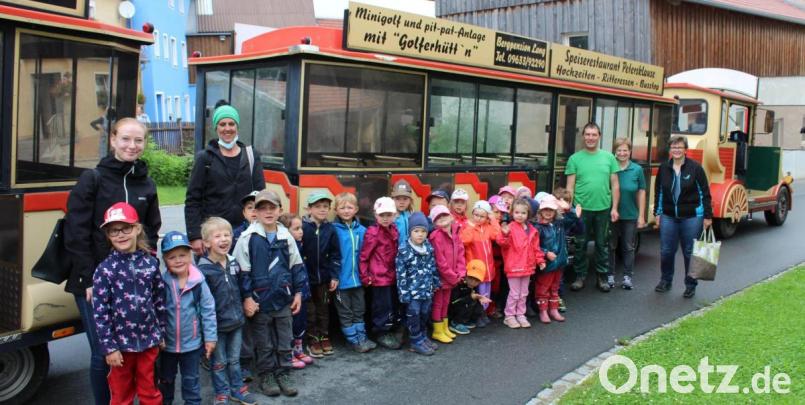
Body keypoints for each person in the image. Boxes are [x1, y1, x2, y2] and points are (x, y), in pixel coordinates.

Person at [64, 118, 161, 405]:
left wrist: (149, 266)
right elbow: (76, 232)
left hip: (134, 278)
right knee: (104, 353)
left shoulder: (147, 183)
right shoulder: (93, 179)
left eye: (138, 140)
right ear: (113, 140)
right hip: (96, 279)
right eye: (126, 139)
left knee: (137, 351)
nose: (132, 146)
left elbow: (152, 230)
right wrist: (87, 278)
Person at [233, 190, 305, 397]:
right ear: (255, 212)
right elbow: (242, 271)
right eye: (262, 208)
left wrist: (298, 293)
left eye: (272, 208)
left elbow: (297, 266)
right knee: (263, 343)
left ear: (280, 210)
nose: (268, 212)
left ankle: (284, 372)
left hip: (284, 298)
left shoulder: (286, 237)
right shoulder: (248, 238)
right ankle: (266, 374)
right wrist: (247, 297)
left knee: (285, 339)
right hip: (259, 301)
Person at [92, 202, 164, 405]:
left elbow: (159, 300)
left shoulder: (150, 264)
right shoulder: (104, 270)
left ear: (137, 228)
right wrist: (109, 348)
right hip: (120, 349)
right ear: (108, 235)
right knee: (121, 396)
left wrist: (161, 333)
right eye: (114, 231)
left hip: (149, 344)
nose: (120, 235)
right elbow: (100, 313)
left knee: (150, 393)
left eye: (126, 228)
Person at [186, 104, 265, 256]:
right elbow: (193, 200)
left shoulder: (251, 156)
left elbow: (261, 196)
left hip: (247, 232)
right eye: (222, 124)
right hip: (215, 235)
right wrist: (195, 236)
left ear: (237, 126)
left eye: (231, 124)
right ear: (216, 128)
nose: (227, 128)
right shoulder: (205, 158)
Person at [196, 218, 258, 405]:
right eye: (217, 236)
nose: (224, 239)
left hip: (237, 322)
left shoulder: (233, 263)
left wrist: (248, 301)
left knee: (234, 359)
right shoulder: (202, 270)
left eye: (227, 235)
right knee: (219, 362)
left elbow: (242, 287)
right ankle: (221, 392)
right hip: (217, 327)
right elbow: (200, 303)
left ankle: (237, 389)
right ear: (206, 242)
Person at [158, 231, 217, 405]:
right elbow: (156, 313)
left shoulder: (199, 282)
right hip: (166, 346)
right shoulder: (161, 283)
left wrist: (211, 338)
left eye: (183, 255)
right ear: (165, 260)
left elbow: (208, 310)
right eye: (172, 257)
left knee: (191, 381)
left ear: (190, 255)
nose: (178, 260)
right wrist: (158, 337)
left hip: (192, 345)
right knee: (166, 380)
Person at [654, 136, 713, 298]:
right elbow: (659, 191)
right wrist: (657, 213)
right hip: (668, 216)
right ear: (670, 150)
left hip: (692, 217)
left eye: (680, 147)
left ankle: (690, 284)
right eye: (673, 147)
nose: (676, 150)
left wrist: (707, 216)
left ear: (685, 149)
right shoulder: (664, 167)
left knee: (689, 251)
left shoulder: (695, 168)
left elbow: (705, 193)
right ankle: (666, 280)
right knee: (666, 251)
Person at [565, 122, 620, 292]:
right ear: (583, 136)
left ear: (599, 136)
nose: (590, 138)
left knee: (602, 244)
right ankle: (580, 276)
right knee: (580, 244)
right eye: (587, 134)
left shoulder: (609, 158)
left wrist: (614, 208)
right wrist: (569, 208)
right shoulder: (574, 159)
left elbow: (615, 185)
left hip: (603, 208)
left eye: (594, 135)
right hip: (582, 209)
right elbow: (570, 187)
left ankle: (602, 277)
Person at [332, 192, 376, 353]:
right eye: (342, 207)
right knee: (345, 312)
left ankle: (361, 337)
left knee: (359, 309)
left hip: (358, 279)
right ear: (336, 210)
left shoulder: (363, 230)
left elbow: (368, 255)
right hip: (341, 281)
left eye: (349, 207)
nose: (346, 210)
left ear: (356, 209)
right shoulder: (333, 230)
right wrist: (333, 276)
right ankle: (352, 341)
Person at [300, 191, 341, 357]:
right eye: (317, 206)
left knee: (323, 309)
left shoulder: (330, 229)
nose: (322, 210)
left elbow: (335, 255)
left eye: (325, 206)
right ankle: (312, 339)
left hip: (324, 279)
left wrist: (334, 276)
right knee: (310, 311)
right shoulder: (302, 228)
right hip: (307, 280)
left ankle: (324, 335)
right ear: (309, 209)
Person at [359, 197, 401, 349]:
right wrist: (365, 276)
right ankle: (380, 332)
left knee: (391, 304)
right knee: (381, 306)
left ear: (394, 215)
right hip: (378, 277)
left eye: (389, 215)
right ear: (375, 215)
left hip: (392, 275)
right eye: (382, 215)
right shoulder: (373, 233)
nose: (385, 218)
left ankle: (390, 328)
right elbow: (364, 256)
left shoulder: (394, 230)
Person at [395, 212, 440, 356]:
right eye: (416, 231)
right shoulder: (404, 250)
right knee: (413, 315)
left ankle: (422, 336)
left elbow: (432, 266)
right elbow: (401, 273)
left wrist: (435, 281)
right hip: (413, 293)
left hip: (426, 290)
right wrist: (404, 293)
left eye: (423, 231)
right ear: (410, 232)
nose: (420, 235)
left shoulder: (428, 248)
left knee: (424, 314)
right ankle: (415, 340)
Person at [496, 198, 546, 329]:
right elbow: (502, 243)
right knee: (514, 293)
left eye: (523, 213)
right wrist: (505, 234)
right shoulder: (510, 228)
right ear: (512, 213)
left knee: (524, 293)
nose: (520, 215)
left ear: (528, 214)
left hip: (528, 266)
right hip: (514, 266)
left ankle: (520, 314)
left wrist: (540, 260)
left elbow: (536, 248)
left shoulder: (532, 230)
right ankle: (509, 316)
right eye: (517, 212)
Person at [534, 195, 582, 324]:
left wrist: (568, 209)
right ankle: (543, 310)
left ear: (555, 212)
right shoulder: (538, 227)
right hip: (547, 264)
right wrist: (546, 253)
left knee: (555, 287)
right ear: (540, 212)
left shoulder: (559, 224)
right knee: (543, 288)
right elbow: (534, 246)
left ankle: (553, 309)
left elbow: (572, 218)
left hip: (559, 262)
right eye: (545, 210)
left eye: (551, 210)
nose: (548, 212)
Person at [277, 213, 314, 369]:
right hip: (291, 295)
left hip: (303, 292)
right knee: (290, 325)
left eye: (301, 228)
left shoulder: (301, 246)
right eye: (296, 228)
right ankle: (289, 353)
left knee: (301, 322)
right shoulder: (285, 248)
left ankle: (298, 349)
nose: (301, 232)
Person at [609, 138, 647, 290]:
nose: (622, 153)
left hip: (630, 214)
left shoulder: (637, 170)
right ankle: (609, 275)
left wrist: (641, 215)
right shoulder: (611, 168)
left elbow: (641, 192)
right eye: (619, 150)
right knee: (610, 245)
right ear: (615, 152)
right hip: (612, 214)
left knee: (628, 246)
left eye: (625, 150)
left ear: (630, 152)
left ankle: (627, 276)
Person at [428, 205, 467, 339]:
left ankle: (444, 327)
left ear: (451, 217)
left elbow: (461, 254)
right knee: (438, 303)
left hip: (453, 277)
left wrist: (461, 272)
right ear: (434, 223)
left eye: (445, 216)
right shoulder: (435, 236)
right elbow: (440, 262)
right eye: (439, 219)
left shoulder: (456, 233)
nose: (443, 220)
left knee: (446, 302)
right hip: (441, 278)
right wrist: (453, 276)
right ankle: (437, 330)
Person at [459, 200, 499, 328]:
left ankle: (484, 312)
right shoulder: (468, 227)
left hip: (488, 268)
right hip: (476, 270)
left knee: (486, 292)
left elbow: (496, 235)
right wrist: (471, 227)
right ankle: (478, 314)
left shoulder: (487, 227)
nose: (478, 218)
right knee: (478, 293)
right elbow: (465, 240)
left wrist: (493, 220)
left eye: (482, 216)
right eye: (476, 215)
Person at [448, 260, 492, 330]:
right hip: (453, 312)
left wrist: (478, 298)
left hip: (462, 309)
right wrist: (470, 297)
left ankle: (466, 320)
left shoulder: (473, 288)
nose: (473, 282)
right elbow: (454, 302)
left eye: (477, 280)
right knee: (469, 302)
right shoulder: (458, 285)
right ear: (466, 275)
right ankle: (455, 322)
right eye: (471, 278)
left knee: (477, 302)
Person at [391, 179, 415, 247]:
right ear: (392, 199)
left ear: (410, 200)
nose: (402, 202)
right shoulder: (390, 217)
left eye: (405, 199)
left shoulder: (412, 215)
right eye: (398, 199)